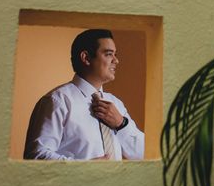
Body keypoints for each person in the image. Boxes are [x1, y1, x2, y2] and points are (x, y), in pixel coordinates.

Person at [24, 29, 144, 160]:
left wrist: (121, 124)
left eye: (115, 54)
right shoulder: (58, 101)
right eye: (109, 54)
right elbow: (35, 155)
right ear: (86, 58)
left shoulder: (117, 105)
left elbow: (142, 154)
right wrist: (84, 169)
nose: (116, 60)